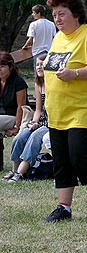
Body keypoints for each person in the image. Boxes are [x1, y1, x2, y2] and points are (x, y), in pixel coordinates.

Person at [42, 0, 87, 224]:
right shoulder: (58, 38)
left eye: (62, 14)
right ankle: (64, 207)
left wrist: (75, 73)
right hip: (58, 109)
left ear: (76, 14)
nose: (57, 19)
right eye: (54, 15)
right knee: (61, 159)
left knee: (80, 156)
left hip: (84, 109)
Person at [6, 54, 48, 182]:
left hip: (52, 123)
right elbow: (38, 110)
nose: (39, 68)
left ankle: (20, 172)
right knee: (20, 136)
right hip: (40, 121)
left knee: (34, 138)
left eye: (42, 65)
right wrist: (34, 121)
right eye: (37, 65)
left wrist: (39, 124)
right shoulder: (38, 84)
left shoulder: (54, 85)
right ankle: (14, 170)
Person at [0, 52, 28, 141]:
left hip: (14, 117)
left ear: (11, 67)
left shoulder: (18, 82)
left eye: (2, 66)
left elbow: (21, 107)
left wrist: (17, 127)